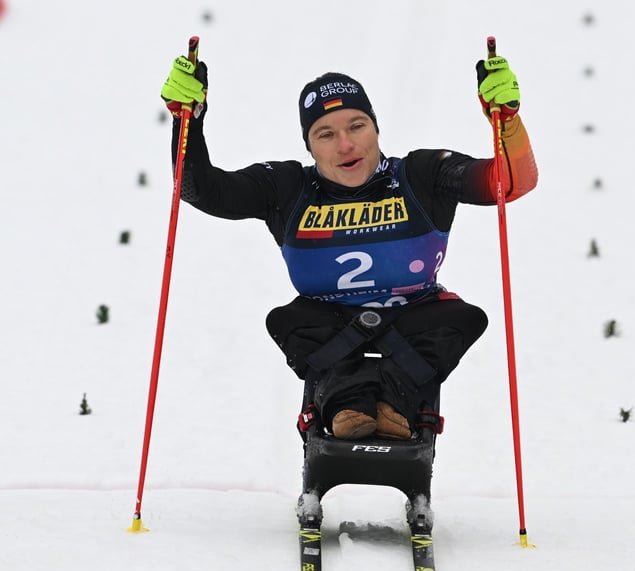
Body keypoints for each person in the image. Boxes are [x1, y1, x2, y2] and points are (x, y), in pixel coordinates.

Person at [159, 49, 538, 441]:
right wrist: (188, 119)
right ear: (309, 146)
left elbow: (510, 182)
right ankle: (347, 404)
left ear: (375, 129)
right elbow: (198, 188)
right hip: (327, 323)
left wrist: (506, 120)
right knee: (288, 321)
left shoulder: (423, 174)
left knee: (462, 317)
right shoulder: (287, 187)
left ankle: (396, 403)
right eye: (326, 134)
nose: (346, 145)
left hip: (415, 317)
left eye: (357, 126)